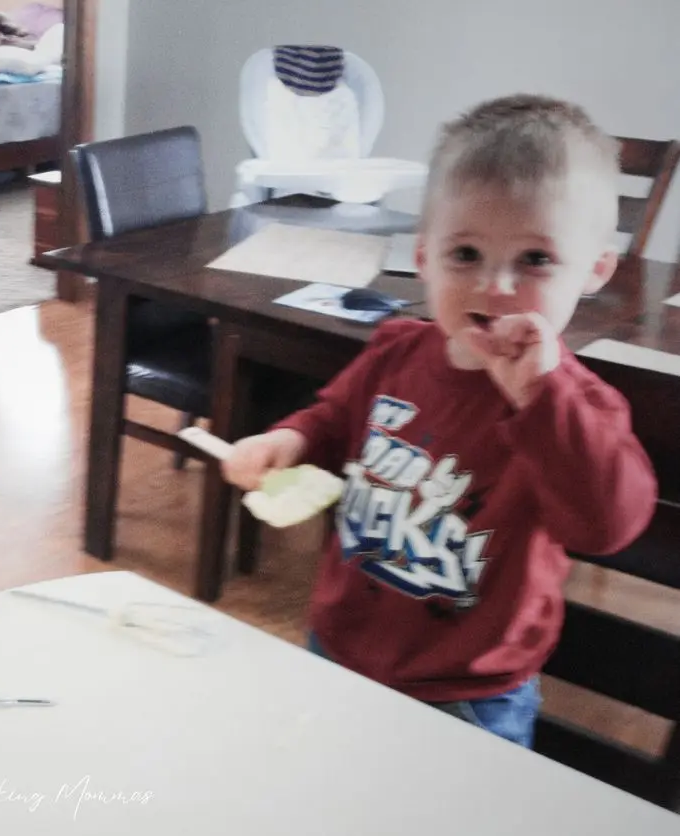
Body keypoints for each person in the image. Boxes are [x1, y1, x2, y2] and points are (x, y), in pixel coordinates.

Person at [223, 94, 657, 747]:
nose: (495, 285)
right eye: (465, 255)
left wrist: (541, 396)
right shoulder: (396, 352)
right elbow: (335, 419)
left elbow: (606, 525)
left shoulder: (580, 406)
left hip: (468, 697)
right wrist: (291, 438)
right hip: (338, 648)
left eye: (535, 260)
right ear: (424, 256)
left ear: (594, 269)